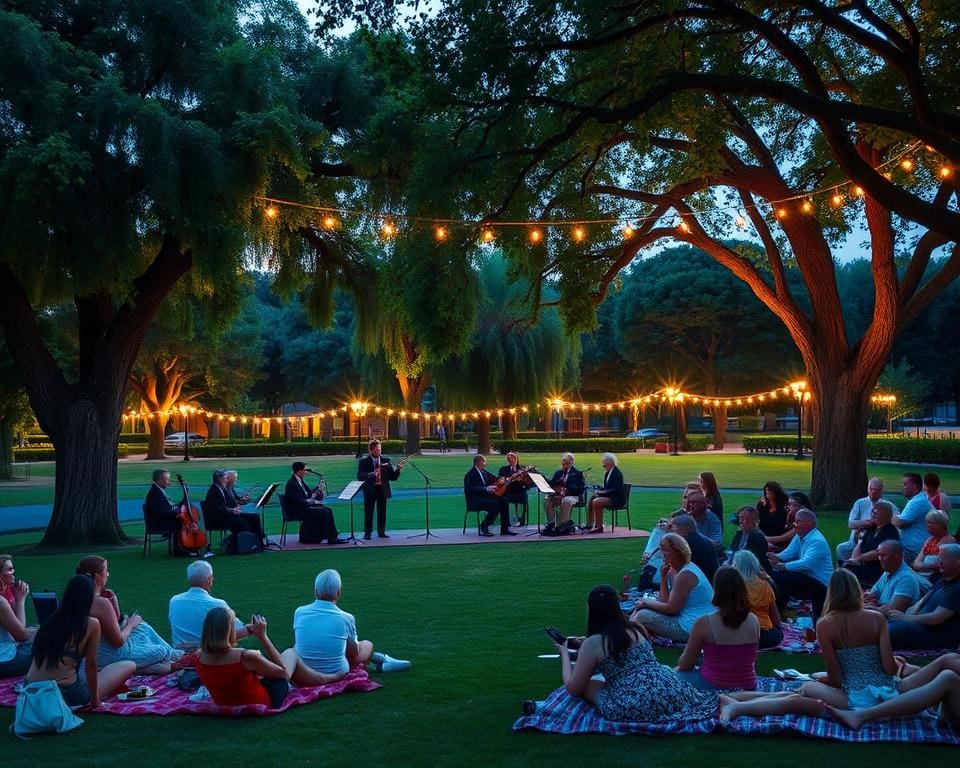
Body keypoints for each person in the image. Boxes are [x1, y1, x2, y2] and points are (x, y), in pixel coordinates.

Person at [717, 569, 903, 722]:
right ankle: (735, 703)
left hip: (855, 698)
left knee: (799, 694)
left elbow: (836, 680)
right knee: (797, 694)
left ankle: (736, 705)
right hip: (886, 696)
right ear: (857, 591)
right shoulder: (877, 619)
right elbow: (889, 668)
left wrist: (819, 681)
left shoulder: (826, 624)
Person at [555, 584, 719, 722]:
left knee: (588, 684)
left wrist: (564, 652)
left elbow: (573, 689)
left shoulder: (594, 643)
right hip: (668, 688)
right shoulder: (636, 628)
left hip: (632, 702)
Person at [24, 575, 135, 708]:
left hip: (30, 691)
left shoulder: (50, 621)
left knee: (75, 668)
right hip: (65, 693)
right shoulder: (91, 624)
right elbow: (91, 666)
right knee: (129, 665)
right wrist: (95, 702)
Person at [75, 555, 182, 673]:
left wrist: (115, 604)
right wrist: (130, 624)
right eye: (106, 571)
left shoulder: (75, 598)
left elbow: (114, 624)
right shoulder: (100, 603)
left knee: (142, 626)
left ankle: (160, 661)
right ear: (97, 577)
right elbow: (117, 642)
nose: (108, 574)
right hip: (108, 655)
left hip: (95, 651)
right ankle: (158, 662)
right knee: (160, 651)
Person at [293, 569, 410, 677]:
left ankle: (383, 661)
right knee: (366, 645)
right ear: (339, 592)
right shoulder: (346, 618)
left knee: (336, 643)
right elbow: (353, 653)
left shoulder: (300, 612)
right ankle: (383, 661)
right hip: (335, 671)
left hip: (304, 668)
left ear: (315, 591)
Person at [675, 567, 760, 691]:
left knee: (672, 676)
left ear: (717, 590)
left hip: (713, 686)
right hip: (748, 687)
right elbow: (749, 659)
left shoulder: (704, 623)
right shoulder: (754, 620)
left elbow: (685, 664)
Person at [631, 533, 715, 642]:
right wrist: (663, 576)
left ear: (676, 552)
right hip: (690, 621)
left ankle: (639, 644)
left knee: (641, 616)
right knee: (641, 608)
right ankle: (636, 637)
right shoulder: (674, 570)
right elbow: (665, 600)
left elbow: (672, 609)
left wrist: (646, 602)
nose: (661, 554)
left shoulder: (686, 574)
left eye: (665, 550)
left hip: (692, 628)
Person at [886, 543, 960, 650]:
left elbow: (937, 618)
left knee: (889, 631)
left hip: (935, 635)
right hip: (920, 626)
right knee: (881, 624)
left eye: (943, 558)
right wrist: (897, 614)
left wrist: (906, 618)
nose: (939, 562)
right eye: (939, 558)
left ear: (958, 563)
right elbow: (920, 604)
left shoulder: (956, 588)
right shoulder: (942, 581)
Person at [168, 560, 251, 651]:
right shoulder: (218, 604)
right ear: (209, 579)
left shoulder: (174, 600)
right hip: (207, 656)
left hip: (180, 654)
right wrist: (251, 630)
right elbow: (233, 634)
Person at [768, 508, 833, 621]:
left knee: (782, 578)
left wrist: (780, 565)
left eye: (798, 521)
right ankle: (782, 611)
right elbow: (786, 555)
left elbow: (805, 565)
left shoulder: (817, 541)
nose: (795, 525)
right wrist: (770, 556)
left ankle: (780, 613)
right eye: (795, 521)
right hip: (808, 578)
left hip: (821, 584)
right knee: (776, 575)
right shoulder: (800, 536)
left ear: (810, 523)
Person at [840, 500, 900, 587]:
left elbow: (878, 552)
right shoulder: (872, 529)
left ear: (886, 515)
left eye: (876, 513)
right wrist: (853, 560)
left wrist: (859, 559)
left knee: (845, 573)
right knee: (843, 567)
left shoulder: (890, 532)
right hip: (863, 564)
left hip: (878, 568)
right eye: (872, 512)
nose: (873, 515)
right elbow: (860, 545)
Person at [284, 462, 345, 545]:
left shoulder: (299, 481)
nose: (306, 472)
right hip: (296, 510)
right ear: (299, 471)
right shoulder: (291, 483)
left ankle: (332, 536)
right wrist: (311, 501)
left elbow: (308, 494)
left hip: (303, 507)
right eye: (304, 470)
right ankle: (329, 537)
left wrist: (317, 490)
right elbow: (297, 500)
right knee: (324, 512)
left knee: (328, 510)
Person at [837, 477, 898, 562]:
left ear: (881, 490)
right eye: (870, 489)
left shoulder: (888, 506)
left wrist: (865, 525)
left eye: (876, 489)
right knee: (841, 549)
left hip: (873, 542)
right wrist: (871, 523)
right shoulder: (860, 503)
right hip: (854, 541)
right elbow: (851, 524)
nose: (873, 492)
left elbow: (896, 523)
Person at [732, 550, 783, 649]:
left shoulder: (732, 584)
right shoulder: (765, 585)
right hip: (763, 636)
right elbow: (775, 617)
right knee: (778, 633)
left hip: (738, 635)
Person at [204, 469, 264, 544]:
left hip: (224, 515)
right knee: (243, 523)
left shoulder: (220, 488)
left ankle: (258, 541)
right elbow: (217, 509)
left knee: (254, 517)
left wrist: (235, 508)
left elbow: (226, 504)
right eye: (226, 478)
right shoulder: (214, 491)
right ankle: (237, 542)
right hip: (217, 519)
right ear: (220, 479)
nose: (227, 480)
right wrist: (233, 511)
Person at [357, 439, 401, 539]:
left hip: (382, 489)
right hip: (370, 489)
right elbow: (359, 476)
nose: (379, 451)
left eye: (380, 449)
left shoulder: (386, 460)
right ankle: (367, 533)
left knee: (382, 511)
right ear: (371, 450)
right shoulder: (364, 461)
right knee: (368, 512)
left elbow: (392, 477)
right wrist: (371, 474)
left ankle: (381, 532)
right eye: (377, 450)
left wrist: (398, 470)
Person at [0, 554, 36, 677]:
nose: (13, 572)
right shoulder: (0, 602)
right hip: (5, 661)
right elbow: (22, 635)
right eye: (9, 569)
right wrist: (21, 600)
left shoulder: (5, 597)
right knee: (46, 642)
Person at [464, 454, 515, 537]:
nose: (485, 464)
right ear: (479, 462)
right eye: (484, 462)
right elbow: (469, 489)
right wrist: (485, 489)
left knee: (504, 501)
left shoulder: (484, 472)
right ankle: (484, 526)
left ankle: (505, 529)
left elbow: (496, 479)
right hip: (474, 500)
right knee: (494, 505)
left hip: (485, 498)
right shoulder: (470, 474)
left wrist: (505, 480)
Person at [867, 540, 922, 613]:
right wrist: (868, 598)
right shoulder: (887, 573)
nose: (880, 559)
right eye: (879, 555)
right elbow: (873, 595)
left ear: (898, 556)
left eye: (884, 555)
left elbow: (893, 611)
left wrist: (869, 607)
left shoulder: (907, 579)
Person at [892, 472, 934, 563]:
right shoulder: (917, 500)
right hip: (912, 549)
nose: (902, 487)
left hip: (912, 551)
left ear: (915, 486)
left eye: (905, 484)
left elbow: (900, 523)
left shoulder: (918, 502)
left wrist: (887, 515)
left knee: (884, 554)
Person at [669, 514, 719, 585]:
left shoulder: (686, 544)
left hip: (698, 584)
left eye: (674, 530)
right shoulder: (700, 539)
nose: (672, 533)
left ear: (683, 529)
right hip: (710, 582)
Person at [543, 453, 586, 536]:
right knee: (547, 498)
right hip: (559, 495)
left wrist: (567, 489)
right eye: (563, 461)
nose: (563, 463)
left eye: (566, 461)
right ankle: (551, 523)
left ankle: (561, 526)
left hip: (574, 496)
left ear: (571, 462)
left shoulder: (577, 473)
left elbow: (580, 489)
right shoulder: (558, 473)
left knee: (566, 500)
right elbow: (551, 485)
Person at [583, 452, 625, 534]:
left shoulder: (617, 473)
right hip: (610, 497)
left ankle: (599, 527)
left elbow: (616, 489)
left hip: (616, 499)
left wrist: (602, 492)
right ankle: (589, 524)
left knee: (597, 502)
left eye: (604, 462)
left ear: (610, 462)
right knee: (592, 499)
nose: (603, 464)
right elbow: (607, 487)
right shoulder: (607, 473)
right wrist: (599, 489)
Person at [727, 506, 772, 575]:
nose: (743, 521)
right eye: (741, 518)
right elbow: (733, 549)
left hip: (755, 571)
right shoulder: (740, 533)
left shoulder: (757, 537)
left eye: (747, 519)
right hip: (740, 566)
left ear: (755, 521)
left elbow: (753, 561)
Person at [911, 509, 955, 579]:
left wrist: (922, 566)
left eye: (930, 522)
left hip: (934, 579)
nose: (927, 525)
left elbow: (942, 564)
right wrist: (927, 566)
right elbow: (916, 564)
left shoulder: (949, 541)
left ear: (941, 524)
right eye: (926, 522)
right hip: (922, 576)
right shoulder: (929, 541)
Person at [143, 468, 183, 538]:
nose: (169, 482)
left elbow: (169, 507)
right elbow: (161, 512)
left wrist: (182, 503)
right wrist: (178, 512)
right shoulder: (155, 493)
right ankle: (180, 547)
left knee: (183, 520)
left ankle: (182, 546)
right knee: (182, 522)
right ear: (161, 479)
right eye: (167, 479)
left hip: (162, 520)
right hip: (159, 523)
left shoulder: (158, 490)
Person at [497, 451, 532, 526]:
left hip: (520, 491)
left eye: (513, 458)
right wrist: (508, 479)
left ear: (517, 459)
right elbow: (499, 480)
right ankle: (507, 522)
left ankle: (522, 521)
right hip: (508, 491)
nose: (511, 459)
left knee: (524, 497)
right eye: (509, 458)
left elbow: (529, 484)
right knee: (503, 500)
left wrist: (524, 481)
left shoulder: (523, 469)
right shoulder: (503, 469)